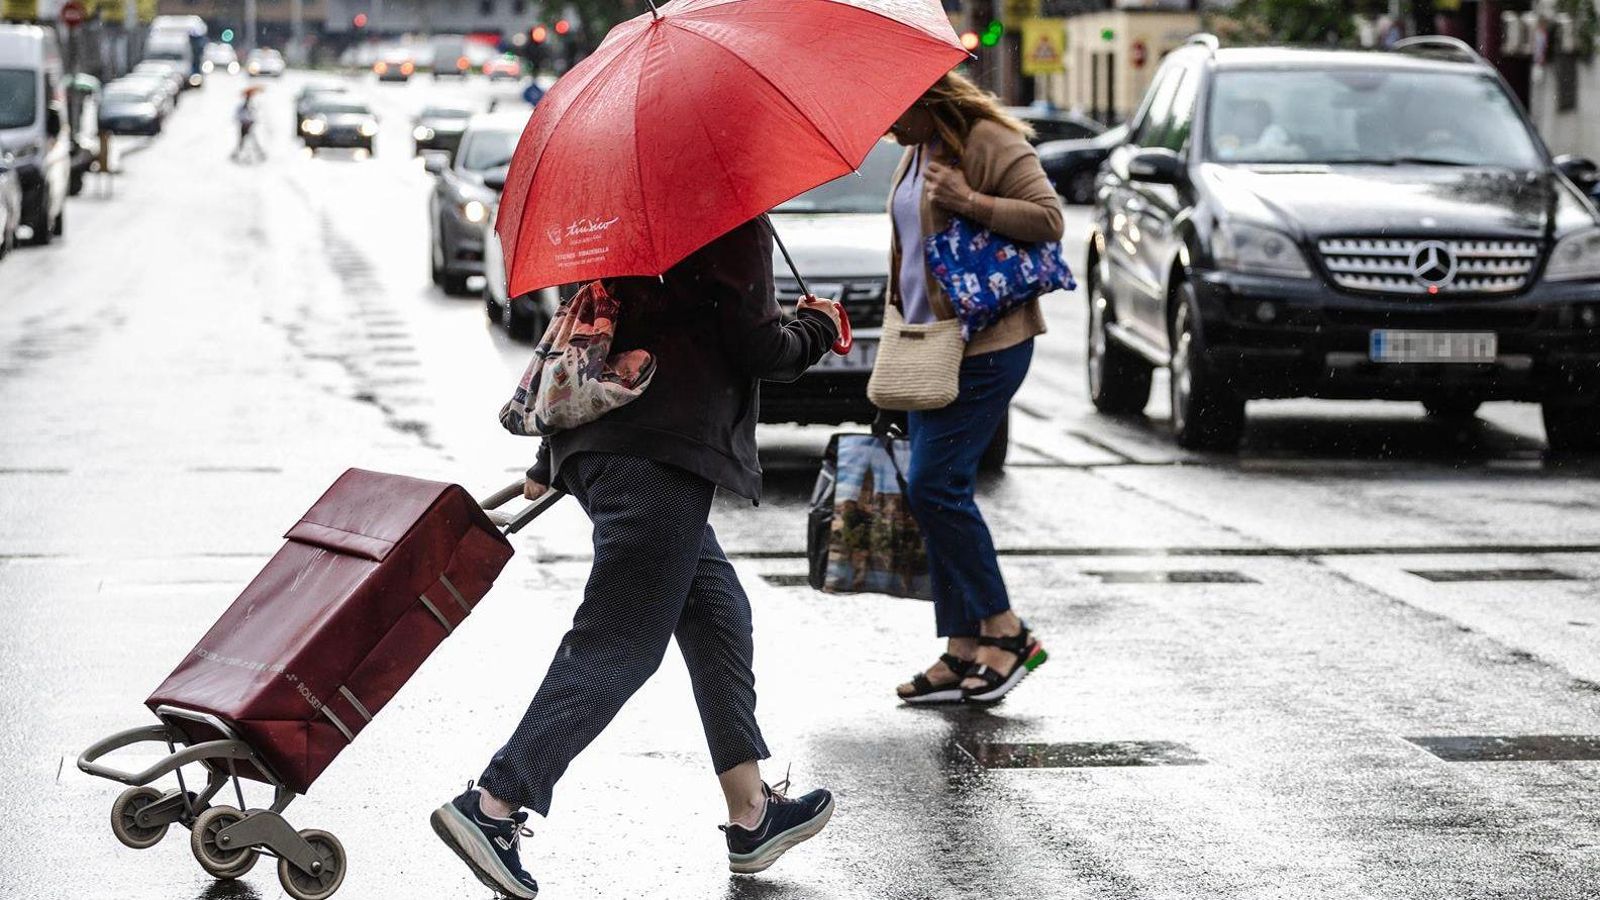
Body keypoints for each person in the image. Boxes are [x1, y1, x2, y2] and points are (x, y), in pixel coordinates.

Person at [431, 216, 843, 899]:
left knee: (715, 612)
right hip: (657, 458)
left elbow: (598, 327)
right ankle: (496, 804)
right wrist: (818, 328)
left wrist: (549, 456)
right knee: (620, 642)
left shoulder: (631, 214)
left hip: (602, 446)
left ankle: (752, 815)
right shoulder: (730, 222)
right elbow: (757, 347)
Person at [884, 72, 1063, 706]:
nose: (886, 124)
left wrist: (969, 200)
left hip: (988, 343)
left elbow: (1048, 219)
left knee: (936, 484)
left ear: (927, 98)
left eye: (894, 110)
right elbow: (908, 258)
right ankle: (962, 647)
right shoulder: (914, 151)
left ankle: (1006, 632)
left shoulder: (986, 141)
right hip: (928, 349)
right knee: (934, 490)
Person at [233, 94, 263, 162]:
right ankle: (237, 155)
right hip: (243, 126)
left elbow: (254, 117)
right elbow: (237, 116)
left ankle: (259, 154)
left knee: (253, 141)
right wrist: (243, 121)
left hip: (249, 127)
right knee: (242, 141)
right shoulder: (241, 108)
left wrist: (251, 122)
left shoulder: (251, 108)